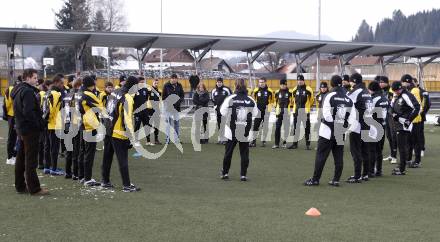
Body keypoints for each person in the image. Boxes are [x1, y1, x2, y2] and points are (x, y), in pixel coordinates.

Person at [304, 75, 354, 186]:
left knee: (321, 156)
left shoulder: (329, 95)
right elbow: (351, 117)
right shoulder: (348, 98)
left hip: (327, 132)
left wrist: (334, 127)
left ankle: (315, 179)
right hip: (340, 132)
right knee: (339, 157)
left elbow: (326, 115)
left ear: (331, 83)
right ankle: (336, 180)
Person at [11, 68, 49, 195]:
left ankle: (20, 186)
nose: (36, 80)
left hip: (22, 128)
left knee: (21, 158)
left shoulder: (18, 90)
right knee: (30, 160)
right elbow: (29, 112)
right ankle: (35, 188)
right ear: (27, 78)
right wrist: (39, 124)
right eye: (34, 77)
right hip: (29, 129)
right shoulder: (27, 91)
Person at [103, 75, 141, 192]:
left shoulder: (115, 91)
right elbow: (128, 119)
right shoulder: (127, 97)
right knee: (122, 159)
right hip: (119, 132)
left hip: (108, 128)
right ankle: (126, 185)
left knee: (107, 158)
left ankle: (105, 181)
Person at [219, 79, 258, 181]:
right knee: (244, 153)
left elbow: (222, 111)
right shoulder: (250, 99)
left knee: (228, 152)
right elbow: (255, 114)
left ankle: (225, 173)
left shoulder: (231, 98)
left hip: (231, 131)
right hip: (245, 131)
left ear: (235, 86)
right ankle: (243, 175)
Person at [346, 73, 373, 183]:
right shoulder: (367, 92)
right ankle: (365, 173)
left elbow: (346, 102)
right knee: (365, 150)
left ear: (354, 81)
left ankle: (357, 175)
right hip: (367, 123)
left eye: (351, 81)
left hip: (357, 124)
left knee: (355, 150)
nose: (350, 83)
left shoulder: (356, 91)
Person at [78, 75, 104, 186]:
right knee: (89, 153)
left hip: (82, 125)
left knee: (83, 152)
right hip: (89, 126)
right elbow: (101, 107)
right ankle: (87, 178)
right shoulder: (88, 94)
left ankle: (82, 176)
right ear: (91, 84)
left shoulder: (79, 92)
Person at [390, 80, 420, 175]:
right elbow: (391, 106)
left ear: (400, 88)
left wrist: (408, 120)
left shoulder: (406, 95)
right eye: (394, 91)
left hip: (403, 124)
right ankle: (401, 166)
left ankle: (402, 169)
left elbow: (417, 107)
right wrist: (393, 113)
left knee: (402, 147)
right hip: (398, 124)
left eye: (397, 90)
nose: (396, 92)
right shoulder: (397, 95)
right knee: (401, 146)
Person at [42, 74, 65, 176]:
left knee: (47, 146)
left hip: (47, 124)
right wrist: (50, 119)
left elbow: (43, 108)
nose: (62, 85)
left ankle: (47, 167)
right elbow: (51, 110)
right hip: (54, 124)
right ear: (55, 82)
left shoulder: (47, 92)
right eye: (61, 83)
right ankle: (54, 168)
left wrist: (45, 120)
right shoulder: (56, 94)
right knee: (54, 147)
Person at [368, 81, 389, 177]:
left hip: (374, 126)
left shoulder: (374, 99)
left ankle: (371, 170)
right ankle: (379, 170)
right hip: (383, 125)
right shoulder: (385, 98)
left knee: (372, 150)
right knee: (379, 150)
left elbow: (369, 112)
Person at [288, 75, 314, 150]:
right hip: (296, 112)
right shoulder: (294, 89)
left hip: (305, 112)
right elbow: (293, 100)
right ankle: (294, 144)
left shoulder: (308, 89)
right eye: (298, 80)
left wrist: (307, 107)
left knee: (307, 128)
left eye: (301, 80)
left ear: (303, 81)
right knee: (296, 128)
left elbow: (312, 100)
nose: (299, 81)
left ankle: (308, 145)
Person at [402, 75, 423, 168]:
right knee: (409, 141)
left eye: (402, 82)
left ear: (406, 82)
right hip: (410, 119)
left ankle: (417, 161)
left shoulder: (414, 90)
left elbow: (417, 106)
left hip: (415, 120)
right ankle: (409, 159)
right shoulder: (410, 90)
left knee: (415, 142)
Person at [64, 78, 82, 180]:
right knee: (76, 150)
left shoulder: (66, 95)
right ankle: (75, 173)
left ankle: (67, 172)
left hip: (66, 124)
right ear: (79, 85)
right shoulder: (77, 96)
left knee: (68, 149)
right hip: (74, 124)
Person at [249, 77, 274, 148]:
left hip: (266, 111)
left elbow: (272, 101)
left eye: (262, 82)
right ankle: (253, 142)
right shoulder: (256, 90)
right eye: (260, 82)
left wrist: (269, 108)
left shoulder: (270, 91)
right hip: (258, 111)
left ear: (265, 82)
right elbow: (253, 100)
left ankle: (263, 141)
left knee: (265, 126)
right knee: (255, 126)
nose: (261, 83)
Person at [379, 76, 397, 164]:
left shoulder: (391, 91)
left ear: (387, 82)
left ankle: (394, 156)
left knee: (393, 136)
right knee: (389, 136)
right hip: (385, 115)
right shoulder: (382, 91)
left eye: (382, 82)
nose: (380, 84)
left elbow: (392, 104)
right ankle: (391, 154)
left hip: (391, 116)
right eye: (380, 82)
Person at [162, 73, 185, 144]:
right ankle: (167, 139)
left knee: (176, 123)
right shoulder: (166, 85)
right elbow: (163, 97)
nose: (174, 79)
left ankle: (176, 139)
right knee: (168, 124)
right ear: (170, 78)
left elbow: (182, 95)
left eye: (175, 78)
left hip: (177, 108)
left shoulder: (179, 85)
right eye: (173, 78)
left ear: (177, 79)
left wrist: (178, 101)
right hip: (168, 108)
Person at [272, 79, 293, 149]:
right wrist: (275, 107)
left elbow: (293, 101)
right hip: (279, 113)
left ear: (286, 85)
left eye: (284, 84)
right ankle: (276, 144)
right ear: (280, 85)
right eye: (282, 84)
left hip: (287, 113)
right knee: (277, 128)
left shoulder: (290, 92)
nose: (283, 86)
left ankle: (285, 143)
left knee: (286, 128)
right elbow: (275, 101)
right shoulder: (277, 92)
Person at [211, 77, 232, 145]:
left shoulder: (227, 89)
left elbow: (231, 98)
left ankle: (226, 139)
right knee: (220, 124)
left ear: (222, 82)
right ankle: (221, 139)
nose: (219, 83)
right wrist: (216, 106)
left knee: (225, 124)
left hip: (226, 110)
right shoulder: (214, 90)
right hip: (217, 110)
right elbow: (212, 99)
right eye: (218, 82)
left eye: (220, 82)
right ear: (216, 83)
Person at [3, 79, 18, 165]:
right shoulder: (12, 89)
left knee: (14, 137)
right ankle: (9, 157)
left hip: (12, 115)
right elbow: (7, 104)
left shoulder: (12, 88)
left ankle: (13, 156)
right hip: (12, 116)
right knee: (12, 136)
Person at [413, 78, 430, 158]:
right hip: (411, 117)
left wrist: (422, 113)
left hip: (420, 117)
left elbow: (428, 104)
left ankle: (422, 149)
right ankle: (414, 148)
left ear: (417, 83)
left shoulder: (423, 92)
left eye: (413, 82)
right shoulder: (410, 92)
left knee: (420, 134)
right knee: (412, 134)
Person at [134, 77, 151, 145]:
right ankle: (135, 141)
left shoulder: (145, 89)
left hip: (145, 111)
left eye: (143, 82)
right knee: (137, 126)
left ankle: (148, 141)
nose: (142, 83)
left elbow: (146, 98)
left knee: (146, 125)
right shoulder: (134, 90)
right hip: (137, 112)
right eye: (141, 82)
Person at [37, 79, 50, 170]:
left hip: (39, 120)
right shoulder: (46, 95)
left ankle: (40, 162)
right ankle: (45, 162)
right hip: (45, 121)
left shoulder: (38, 94)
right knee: (45, 143)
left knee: (40, 143)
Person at [147, 79, 162, 145]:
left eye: (157, 83)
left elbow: (160, 100)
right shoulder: (149, 90)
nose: (156, 84)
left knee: (156, 125)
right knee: (149, 125)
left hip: (157, 110)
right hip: (150, 110)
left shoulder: (159, 91)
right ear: (152, 83)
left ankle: (156, 139)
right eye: (155, 83)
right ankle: (148, 140)